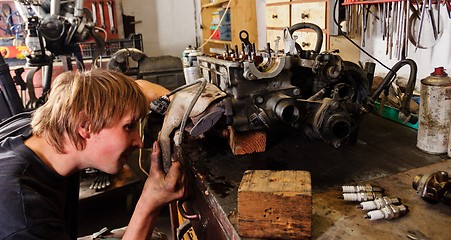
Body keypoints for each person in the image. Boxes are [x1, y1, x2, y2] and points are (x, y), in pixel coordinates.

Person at [0, 68, 186, 239]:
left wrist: (182, 103)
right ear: (84, 126)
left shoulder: (41, 127)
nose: (139, 142)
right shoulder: (24, 218)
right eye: (128, 127)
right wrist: (150, 202)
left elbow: (142, 88)